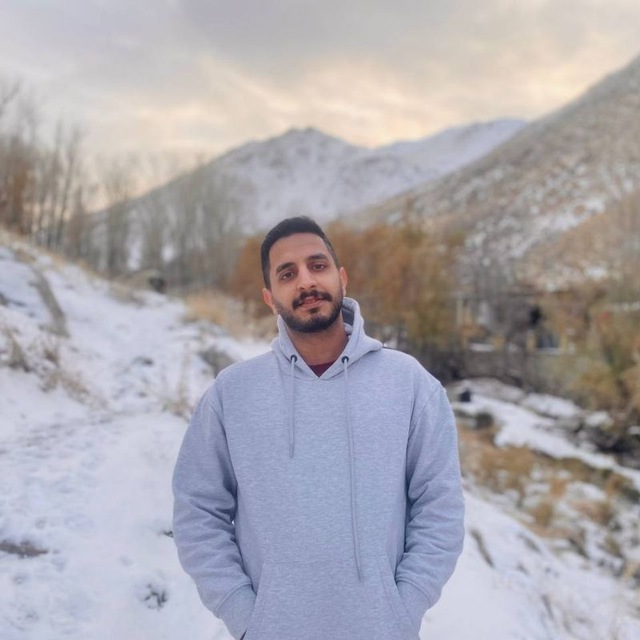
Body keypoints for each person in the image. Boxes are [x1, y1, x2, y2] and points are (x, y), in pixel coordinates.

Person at [172, 216, 465, 640]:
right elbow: (198, 510)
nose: (306, 281)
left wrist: (404, 607)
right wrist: (244, 614)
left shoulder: (410, 384)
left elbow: (439, 506)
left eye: (317, 265)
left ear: (341, 277)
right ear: (269, 297)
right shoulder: (232, 394)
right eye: (287, 274)